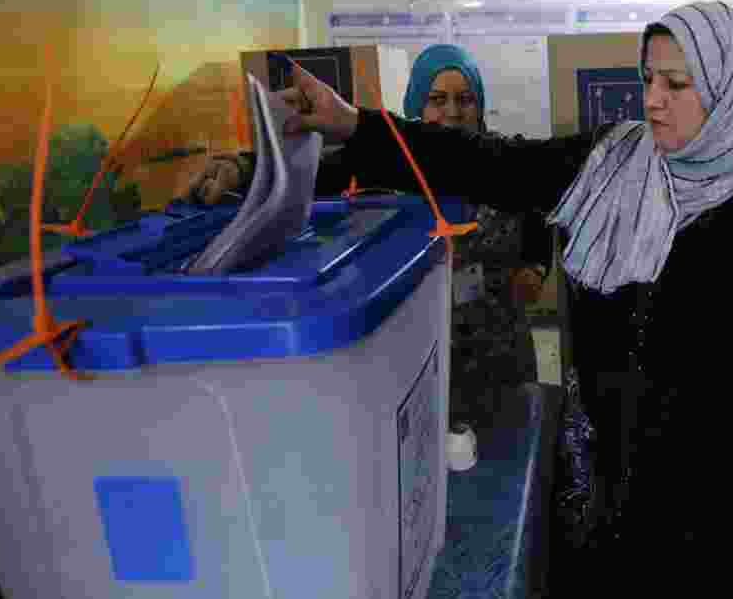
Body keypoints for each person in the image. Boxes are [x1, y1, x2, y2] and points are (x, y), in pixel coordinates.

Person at [275, 1, 733, 595]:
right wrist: (357, 126)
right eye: (648, 79)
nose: (653, 99)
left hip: (714, 521)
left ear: (730, 90)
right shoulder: (608, 167)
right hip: (599, 498)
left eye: (677, 84)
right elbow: (483, 161)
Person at [182, 44, 553, 431]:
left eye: (466, 99)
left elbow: (541, 208)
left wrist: (536, 265)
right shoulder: (392, 161)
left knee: (510, 459)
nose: (453, 111)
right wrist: (241, 168)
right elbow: (317, 173)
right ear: (417, 104)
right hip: (420, 356)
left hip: (499, 353)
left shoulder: (499, 159)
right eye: (438, 99)